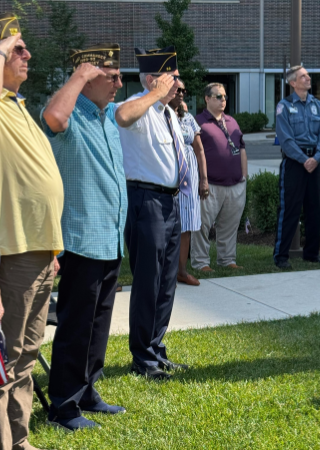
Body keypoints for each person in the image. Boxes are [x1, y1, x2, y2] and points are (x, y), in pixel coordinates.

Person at [39, 44, 128, 431]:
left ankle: (88, 389)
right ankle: (64, 404)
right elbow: (52, 116)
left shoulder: (108, 119)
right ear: (89, 77)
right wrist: (78, 75)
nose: (119, 84)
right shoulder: (71, 115)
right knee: (76, 325)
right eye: (111, 76)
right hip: (81, 237)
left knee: (98, 323)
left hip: (109, 236)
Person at [0, 13, 64, 450]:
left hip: (39, 248)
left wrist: (52, 247)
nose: (27, 54)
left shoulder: (16, 104)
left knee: (26, 353)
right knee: (5, 358)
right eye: (16, 49)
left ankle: (18, 439)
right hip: (13, 251)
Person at [115, 46, 190, 380]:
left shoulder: (168, 113)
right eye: (170, 77)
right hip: (146, 201)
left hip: (170, 202)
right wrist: (153, 93)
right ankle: (142, 357)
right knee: (148, 281)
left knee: (166, 282)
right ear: (150, 79)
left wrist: (162, 98)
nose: (177, 83)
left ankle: (156, 350)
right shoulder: (139, 108)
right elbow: (122, 116)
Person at [272, 65, 320, 269]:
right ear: (293, 82)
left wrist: (318, 157)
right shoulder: (284, 106)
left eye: (308, 75)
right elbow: (286, 140)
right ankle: (281, 256)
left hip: (314, 163)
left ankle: (312, 253)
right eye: (303, 76)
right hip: (295, 163)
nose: (308, 78)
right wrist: (305, 159)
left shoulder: (316, 104)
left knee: (315, 209)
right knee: (290, 210)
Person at [191, 83, 248, 272]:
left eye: (224, 96)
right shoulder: (198, 122)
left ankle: (227, 259)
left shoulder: (232, 121)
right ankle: (201, 262)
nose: (223, 100)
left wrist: (244, 177)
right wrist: (201, 180)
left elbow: (241, 148)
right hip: (211, 184)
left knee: (230, 226)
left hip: (235, 184)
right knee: (202, 226)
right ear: (207, 98)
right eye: (218, 96)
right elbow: (194, 153)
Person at [169, 81, 208, 286]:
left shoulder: (188, 119)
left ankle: (182, 271)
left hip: (190, 177)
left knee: (188, 224)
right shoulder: (162, 116)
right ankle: (166, 271)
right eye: (178, 89)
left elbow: (200, 149)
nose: (182, 93)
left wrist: (204, 179)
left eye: (184, 90)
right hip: (170, 177)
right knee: (170, 225)